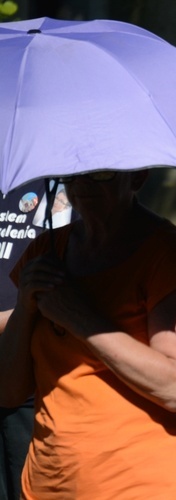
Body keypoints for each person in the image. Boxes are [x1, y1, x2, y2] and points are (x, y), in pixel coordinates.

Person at [0, 170, 176, 498]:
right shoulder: (44, 253)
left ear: (138, 177)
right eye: (73, 174)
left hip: (136, 483)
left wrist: (78, 316)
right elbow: (8, 393)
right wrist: (25, 307)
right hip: (46, 482)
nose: (83, 184)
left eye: (102, 175)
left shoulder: (167, 253)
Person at [0, 180, 74, 500]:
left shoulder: (76, 189)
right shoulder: (10, 176)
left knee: (22, 484)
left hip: (27, 373)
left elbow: (61, 290)